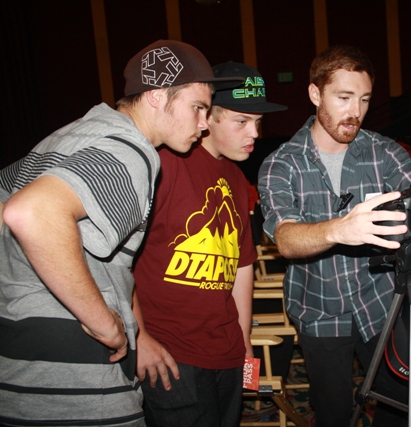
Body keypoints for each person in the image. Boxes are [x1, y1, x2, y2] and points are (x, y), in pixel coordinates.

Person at [0, 39, 241, 426]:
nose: (203, 123)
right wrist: (103, 321)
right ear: (158, 97)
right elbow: (31, 212)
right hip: (75, 375)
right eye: (198, 107)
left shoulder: (69, 137)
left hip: (19, 362)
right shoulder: (130, 150)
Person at [257, 45, 411, 427]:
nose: (356, 111)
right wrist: (341, 229)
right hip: (320, 312)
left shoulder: (383, 152)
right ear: (316, 94)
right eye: (344, 97)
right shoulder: (281, 164)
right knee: (332, 412)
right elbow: (284, 238)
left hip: (381, 306)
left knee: (399, 407)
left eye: (364, 99)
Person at [132, 61, 287, 427]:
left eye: (258, 123)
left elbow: (242, 265)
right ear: (207, 118)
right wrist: (138, 337)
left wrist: (245, 344)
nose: (255, 133)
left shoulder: (236, 177)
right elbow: (117, 261)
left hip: (228, 352)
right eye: (241, 121)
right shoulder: (163, 165)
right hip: (171, 354)